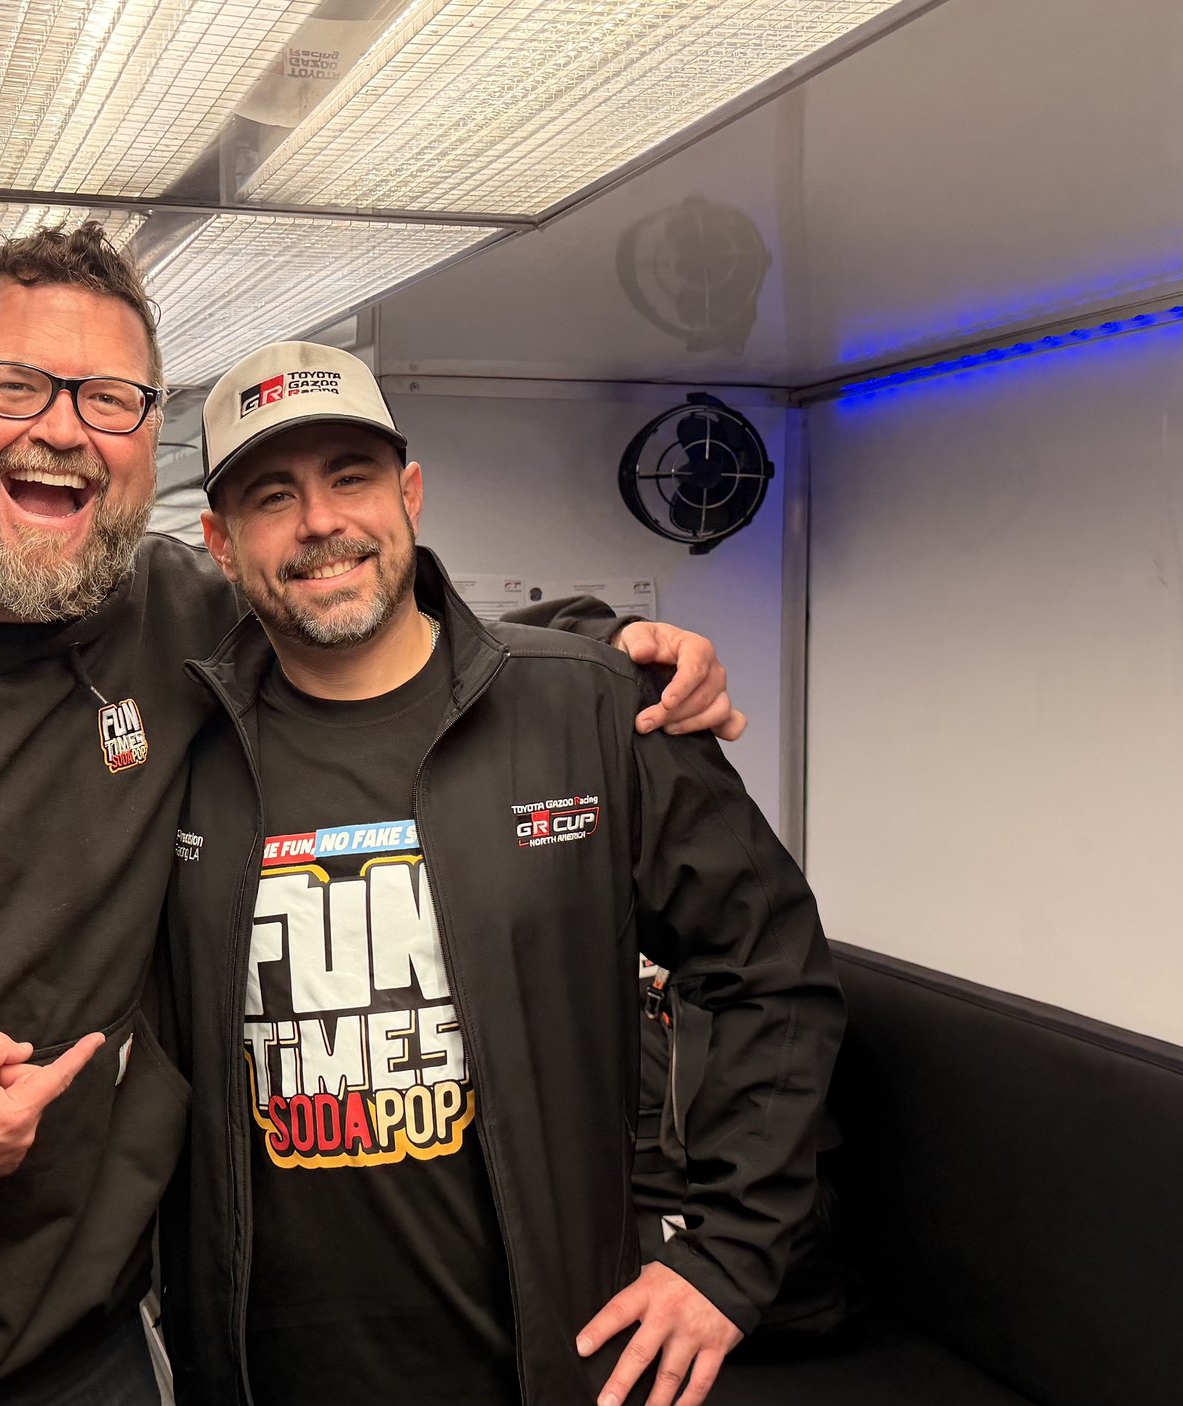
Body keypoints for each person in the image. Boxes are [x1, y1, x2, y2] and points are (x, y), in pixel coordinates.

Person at [0, 224, 745, 1406]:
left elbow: (352, 594)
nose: (62, 426)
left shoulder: (164, 611)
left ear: (143, 437)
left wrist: (599, 648)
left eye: (108, 398)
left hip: (91, 1340)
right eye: (16, 384)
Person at [159, 342, 843, 1406]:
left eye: (351, 476)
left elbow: (771, 969)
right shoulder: (172, 750)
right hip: (254, 1370)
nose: (321, 521)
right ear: (219, 541)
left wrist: (729, 1254)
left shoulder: (595, 709)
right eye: (270, 495)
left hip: (550, 1363)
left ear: (408, 493)